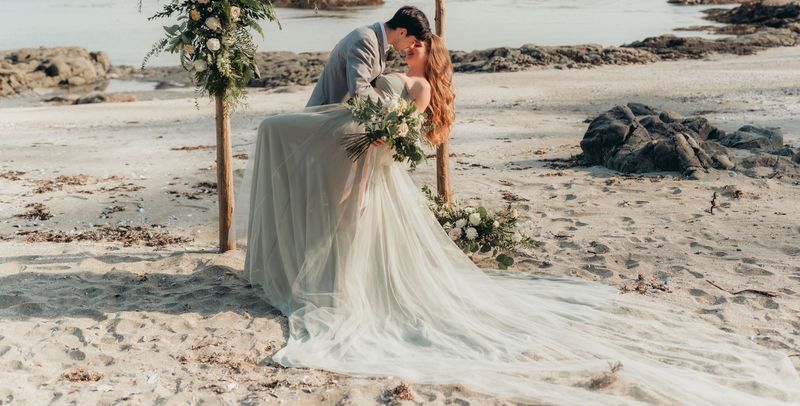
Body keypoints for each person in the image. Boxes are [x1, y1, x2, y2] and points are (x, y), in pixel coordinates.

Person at [235, 29, 800, 405]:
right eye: (409, 49)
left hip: (371, 160)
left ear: (429, 56)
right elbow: (385, 121)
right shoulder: (412, 78)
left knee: (344, 214)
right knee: (357, 231)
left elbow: (386, 120)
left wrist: (373, 142)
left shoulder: (421, 83)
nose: (407, 55)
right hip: (371, 160)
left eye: (416, 50)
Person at [305, 5, 431, 107]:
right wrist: (391, 109)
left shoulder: (378, 41)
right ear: (402, 32)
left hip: (338, 114)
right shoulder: (365, 40)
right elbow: (359, 88)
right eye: (413, 41)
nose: (411, 46)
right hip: (324, 113)